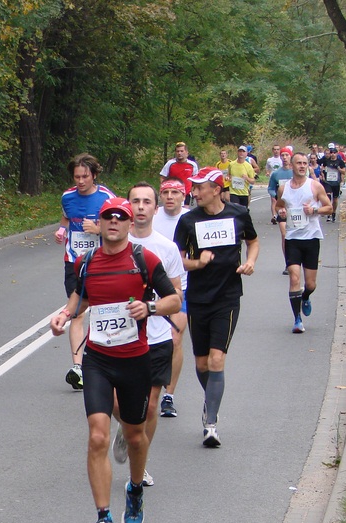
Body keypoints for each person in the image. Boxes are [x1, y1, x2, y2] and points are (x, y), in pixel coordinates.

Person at [49, 197, 180, 523]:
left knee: (135, 436)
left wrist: (150, 307)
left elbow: (174, 300)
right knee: (97, 436)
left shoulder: (144, 259)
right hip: (98, 360)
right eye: (108, 217)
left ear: (128, 225)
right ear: (102, 222)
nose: (114, 222)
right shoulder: (87, 261)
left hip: (135, 359)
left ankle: (135, 489)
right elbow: (80, 298)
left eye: (121, 218)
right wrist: (64, 315)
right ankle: (104, 519)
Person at [174, 167, 259, 448]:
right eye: (194, 187)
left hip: (228, 297)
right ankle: (212, 399)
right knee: (201, 364)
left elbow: (253, 241)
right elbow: (177, 259)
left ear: (216, 189)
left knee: (216, 359)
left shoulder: (238, 214)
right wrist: (197, 263)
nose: (194, 192)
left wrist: (250, 262)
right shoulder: (188, 221)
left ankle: (211, 424)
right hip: (198, 297)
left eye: (200, 188)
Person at [111, 183, 185, 486]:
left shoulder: (166, 248)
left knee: (151, 406)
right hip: (117, 338)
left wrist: (153, 309)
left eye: (146, 202)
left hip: (155, 337)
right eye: (135, 201)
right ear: (128, 207)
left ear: (156, 208)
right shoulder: (112, 244)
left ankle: (139, 463)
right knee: (118, 404)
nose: (141, 207)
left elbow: (177, 293)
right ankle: (129, 427)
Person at [54, 153, 116, 390]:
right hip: (74, 262)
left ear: (94, 175)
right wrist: (62, 230)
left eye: (85, 177)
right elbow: (66, 218)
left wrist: (98, 230)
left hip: (101, 262)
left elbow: (120, 228)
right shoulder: (67, 197)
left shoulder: (106, 198)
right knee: (77, 313)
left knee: (103, 311)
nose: (80, 181)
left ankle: (106, 361)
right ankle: (78, 368)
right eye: (77, 177)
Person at [274, 153, 332, 333]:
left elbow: (329, 208)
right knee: (294, 278)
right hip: (292, 238)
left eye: (305, 163)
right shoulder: (283, 188)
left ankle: (306, 296)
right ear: (292, 165)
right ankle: (297, 319)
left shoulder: (314, 186)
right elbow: (279, 205)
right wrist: (281, 212)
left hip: (311, 238)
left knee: (311, 284)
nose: (302, 166)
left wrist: (314, 210)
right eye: (298, 163)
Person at [153, 179, 189, 418]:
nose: (169, 197)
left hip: (181, 288)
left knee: (175, 339)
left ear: (183, 196)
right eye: (165, 192)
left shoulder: (190, 218)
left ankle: (169, 395)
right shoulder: (152, 216)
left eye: (175, 192)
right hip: (150, 289)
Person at [160, 142, 199, 206]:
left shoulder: (192, 165)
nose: (179, 153)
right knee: (173, 210)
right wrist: (163, 188)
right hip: (173, 193)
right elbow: (163, 177)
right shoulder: (170, 163)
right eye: (177, 151)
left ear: (186, 152)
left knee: (185, 211)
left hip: (186, 193)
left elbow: (195, 180)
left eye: (181, 151)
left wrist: (194, 190)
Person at [319, 145, 346, 222]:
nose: (333, 154)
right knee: (328, 196)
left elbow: (344, 172)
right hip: (328, 181)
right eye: (331, 153)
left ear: (337, 153)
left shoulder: (340, 162)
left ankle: (333, 212)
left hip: (336, 182)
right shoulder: (326, 161)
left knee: (335, 199)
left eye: (334, 153)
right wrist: (322, 175)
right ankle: (329, 212)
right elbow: (322, 169)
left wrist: (339, 169)